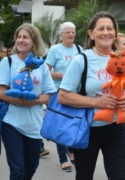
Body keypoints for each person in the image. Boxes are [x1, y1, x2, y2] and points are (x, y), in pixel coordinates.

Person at [58, 11, 125, 180]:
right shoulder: (81, 59)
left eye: (110, 28)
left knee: (122, 176)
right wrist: (97, 102)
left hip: (116, 128)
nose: (106, 32)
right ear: (91, 34)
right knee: (84, 176)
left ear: (115, 32)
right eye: (101, 28)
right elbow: (63, 96)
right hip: (87, 128)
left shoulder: (123, 58)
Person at [0, 23, 56, 179]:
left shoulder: (41, 65)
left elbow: (49, 95)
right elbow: (1, 92)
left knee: (30, 168)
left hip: (34, 125)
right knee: (17, 170)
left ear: (34, 42)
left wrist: (34, 101)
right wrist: (18, 101)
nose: (21, 40)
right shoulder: (8, 62)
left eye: (25, 37)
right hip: (11, 123)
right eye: (19, 37)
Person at [45, 21, 82, 172]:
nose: (71, 34)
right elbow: (45, 71)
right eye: (68, 32)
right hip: (58, 92)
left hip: (76, 93)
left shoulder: (80, 49)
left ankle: (71, 149)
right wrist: (63, 75)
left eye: (73, 32)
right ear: (61, 35)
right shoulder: (55, 50)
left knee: (74, 124)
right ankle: (62, 158)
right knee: (60, 125)